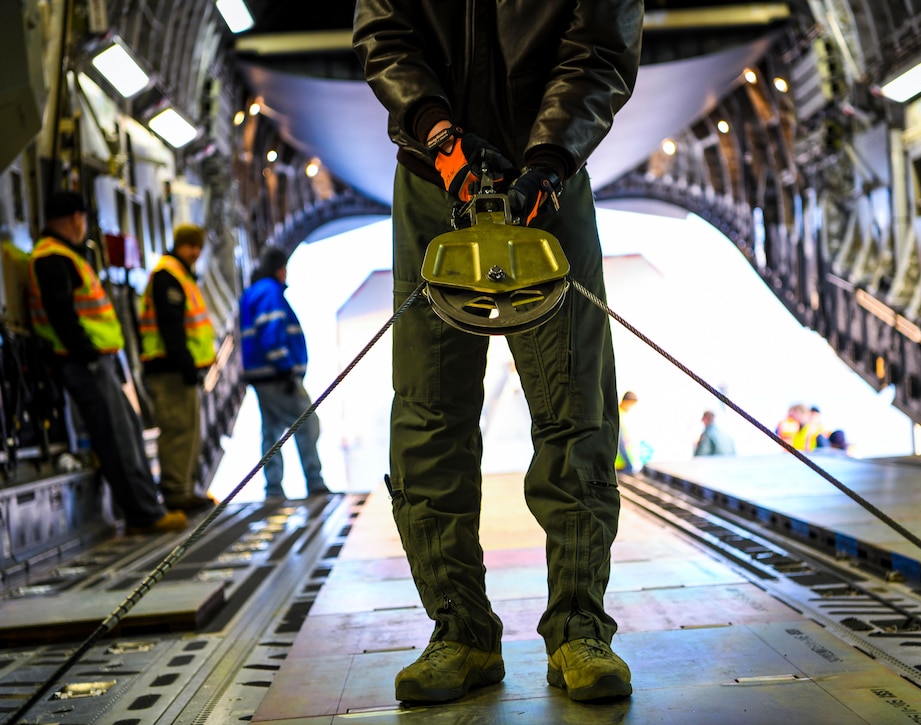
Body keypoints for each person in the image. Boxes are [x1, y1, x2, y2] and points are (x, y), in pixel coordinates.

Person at [354, 0, 642, 705]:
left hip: (547, 180)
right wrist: (441, 138)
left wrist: (548, 158)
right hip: (432, 182)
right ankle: (461, 631)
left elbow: (600, 45)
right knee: (428, 414)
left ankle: (579, 629)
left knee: (576, 403)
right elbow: (385, 31)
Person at [26, 191, 187, 534]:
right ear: (75, 218)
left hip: (98, 362)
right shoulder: (53, 258)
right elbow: (62, 315)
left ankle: (148, 507)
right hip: (86, 363)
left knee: (127, 432)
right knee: (117, 439)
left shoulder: (63, 255)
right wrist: (86, 354)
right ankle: (144, 515)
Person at [238, 246, 329, 499]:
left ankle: (274, 488)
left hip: (262, 376)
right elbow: (271, 334)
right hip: (277, 375)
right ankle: (315, 481)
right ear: (280, 269)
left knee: (272, 429)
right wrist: (287, 370)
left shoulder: (252, 293)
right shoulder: (269, 292)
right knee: (307, 422)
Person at [138, 224, 217, 512]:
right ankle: (174, 492)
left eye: (198, 247)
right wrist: (184, 362)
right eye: (190, 246)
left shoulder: (181, 276)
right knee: (178, 428)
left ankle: (185, 488)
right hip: (169, 369)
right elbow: (171, 327)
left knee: (190, 429)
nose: (195, 253)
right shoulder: (168, 276)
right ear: (179, 245)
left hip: (180, 369)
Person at [616, 391, 645, 473]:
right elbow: (620, 441)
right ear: (626, 401)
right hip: (620, 462)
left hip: (624, 459)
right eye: (631, 404)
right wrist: (629, 463)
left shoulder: (624, 414)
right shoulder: (619, 414)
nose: (632, 407)